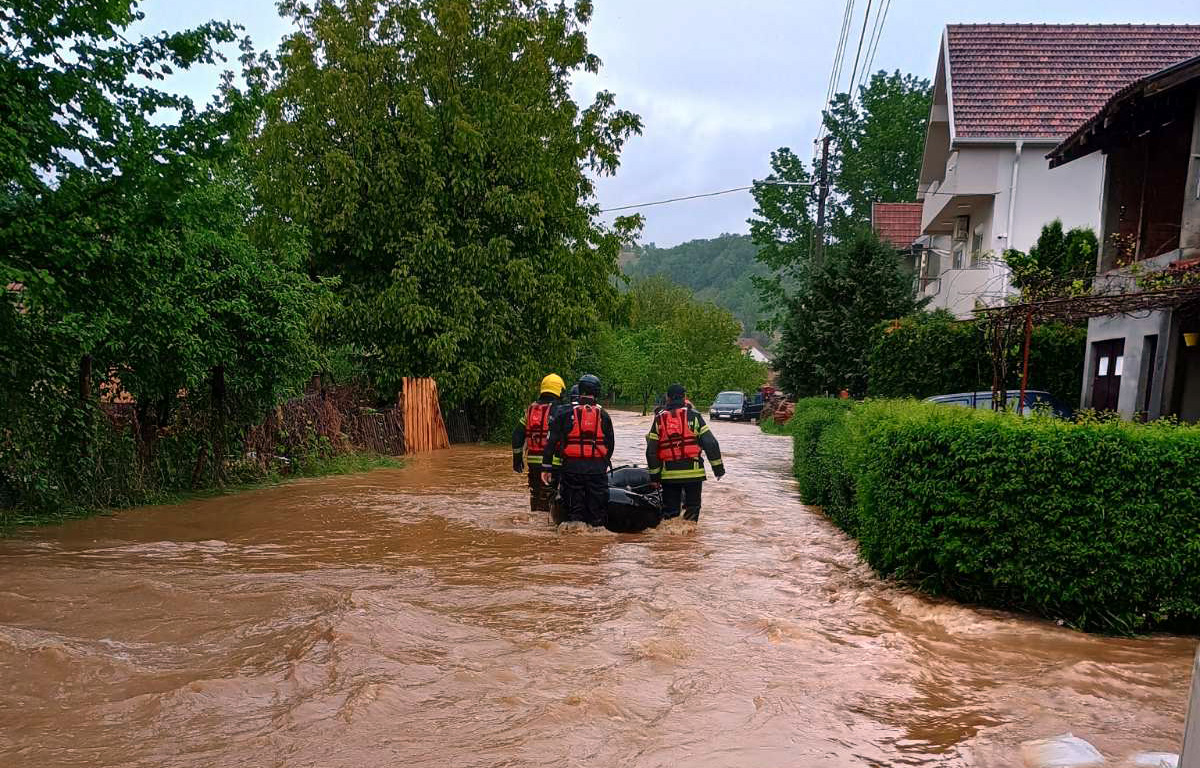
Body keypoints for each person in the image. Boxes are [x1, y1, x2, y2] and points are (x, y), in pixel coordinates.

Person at [541, 374, 614, 527]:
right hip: (597, 471)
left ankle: (575, 539)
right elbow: (610, 445)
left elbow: (551, 443)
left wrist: (547, 467)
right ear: (597, 392)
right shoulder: (604, 415)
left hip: (572, 470)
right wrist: (601, 466)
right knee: (597, 514)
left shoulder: (564, 413)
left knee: (575, 512)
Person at [645, 383, 724, 521]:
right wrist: (718, 469)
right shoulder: (695, 417)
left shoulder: (659, 419)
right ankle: (689, 539)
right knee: (692, 510)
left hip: (669, 475)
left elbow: (651, 451)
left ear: (667, 398)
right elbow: (711, 443)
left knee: (671, 513)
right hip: (694, 474)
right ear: (684, 397)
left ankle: (671, 540)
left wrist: (655, 478)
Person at [512, 373, 565, 512]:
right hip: (553, 463)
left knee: (536, 492)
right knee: (553, 494)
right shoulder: (560, 410)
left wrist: (517, 458)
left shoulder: (530, 410)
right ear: (559, 390)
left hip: (533, 463)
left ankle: (535, 514)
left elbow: (517, 435)